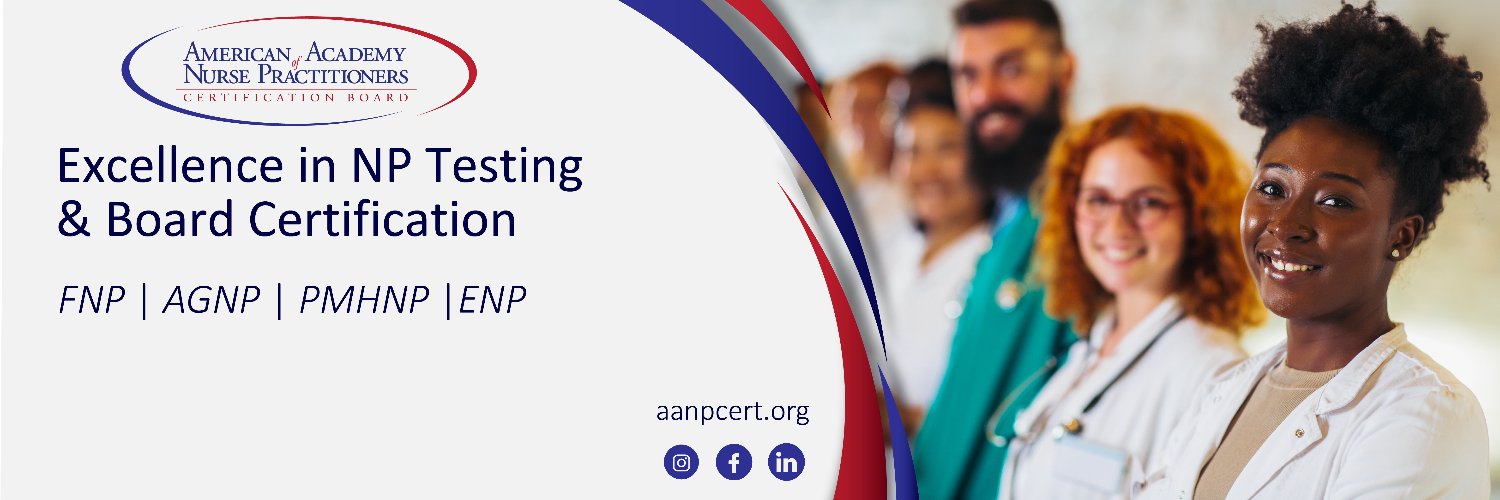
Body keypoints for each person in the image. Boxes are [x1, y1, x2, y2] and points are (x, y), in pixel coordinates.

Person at [1136, 3, 1491, 498]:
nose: (1285, 225)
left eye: (1335, 201)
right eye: (1272, 188)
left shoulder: (1423, 414)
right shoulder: (1226, 391)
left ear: (1401, 236)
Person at [998, 106, 1262, 499]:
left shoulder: (1212, 373)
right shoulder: (1092, 344)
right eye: (1098, 200)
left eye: (1148, 202)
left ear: (1198, 218)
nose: (1117, 226)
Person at [910, 1, 1077, 498]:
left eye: (1010, 69)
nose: (985, 95)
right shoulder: (1008, 206)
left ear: (1064, 71)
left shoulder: (1083, 213)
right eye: (968, 75)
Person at [882, 59, 993, 435]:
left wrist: (904, 420)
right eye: (912, 151)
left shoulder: (992, 266)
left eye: (947, 148)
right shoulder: (898, 249)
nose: (926, 171)